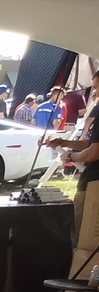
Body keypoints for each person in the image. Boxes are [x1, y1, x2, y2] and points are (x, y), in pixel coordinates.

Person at [44, 70, 99, 244]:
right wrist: (66, 142)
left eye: (97, 87)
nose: (95, 92)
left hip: (94, 183)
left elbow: (94, 151)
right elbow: (92, 143)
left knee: (85, 237)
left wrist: (71, 157)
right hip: (92, 180)